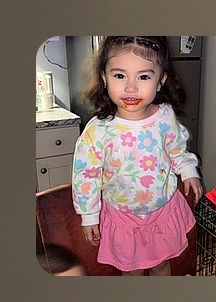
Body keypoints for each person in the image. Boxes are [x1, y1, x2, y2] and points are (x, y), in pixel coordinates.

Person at [71, 36, 203, 276]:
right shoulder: (98, 130)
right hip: (123, 218)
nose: (131, 87)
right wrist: (89, 216)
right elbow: (86, 176)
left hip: (161, 211)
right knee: (131, 271)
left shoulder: (164, 116)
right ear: (104, 77)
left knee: (161, 265)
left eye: (143, 76)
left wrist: (188, 170)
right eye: (120, 76)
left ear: (160, 81)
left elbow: (177, 147)